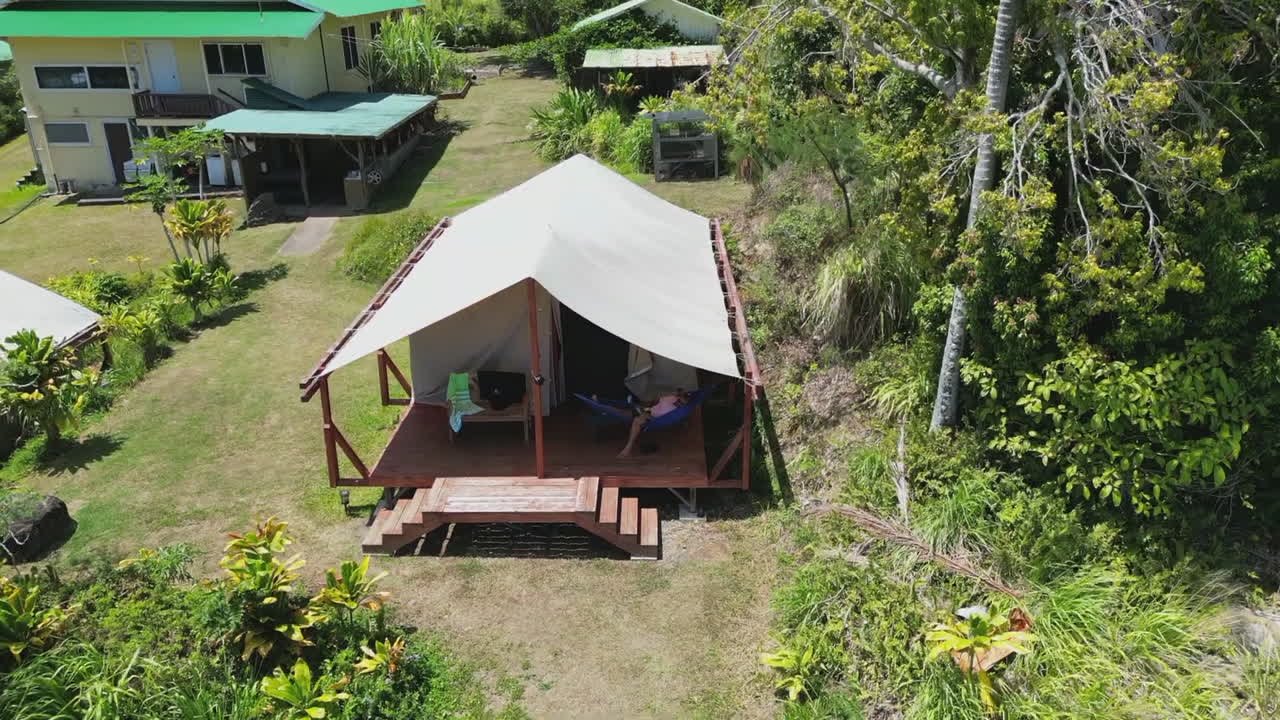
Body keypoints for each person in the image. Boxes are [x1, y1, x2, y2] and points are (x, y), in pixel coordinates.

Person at [617, 390, 689, 458]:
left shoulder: (678, 405)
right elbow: (655, 401)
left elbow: (685, 403)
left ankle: (627, 449)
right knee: (633, 415)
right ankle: (628, 448)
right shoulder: (668, 395)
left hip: (659, 418)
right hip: (650, 412)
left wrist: (681, 396)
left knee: (636, 417)